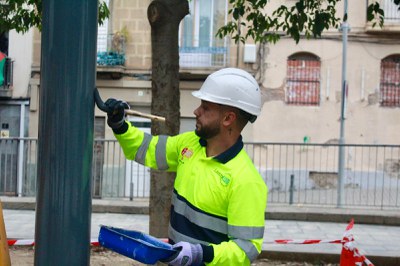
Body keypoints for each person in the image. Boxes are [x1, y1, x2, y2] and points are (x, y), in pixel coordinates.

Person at [104, 68, 268, 266]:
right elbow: (146, 149)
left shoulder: (246, 181)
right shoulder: (189, 144)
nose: (196, 111)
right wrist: (120, 125)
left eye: (206, 107)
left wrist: (201, 254)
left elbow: (245, 250)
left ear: (228, 119)